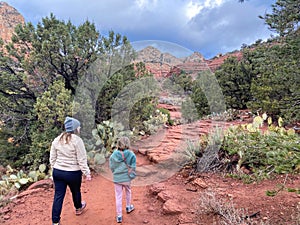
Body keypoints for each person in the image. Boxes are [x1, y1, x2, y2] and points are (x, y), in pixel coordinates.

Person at [50, 116, 92, 225]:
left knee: (58, 195)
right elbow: (81, 159)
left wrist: (54, 169)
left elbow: (52, 158)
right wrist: (87, 173)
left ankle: (55, 221)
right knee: (75, 191)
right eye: (78, 127)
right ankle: (78, 208)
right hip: (73, 172)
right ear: (75, 128)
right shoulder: (77, 141)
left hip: (58, 172)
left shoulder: (57, 139)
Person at [109, 136, 136, 223]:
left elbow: (111, 167)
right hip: (127, 178)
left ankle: (119, 215)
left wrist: (115, 172)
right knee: (128, 191)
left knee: (118, 196)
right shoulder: (131, 154)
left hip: (117, 178)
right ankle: (128, 207)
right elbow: (133, 166)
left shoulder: (113, 155)